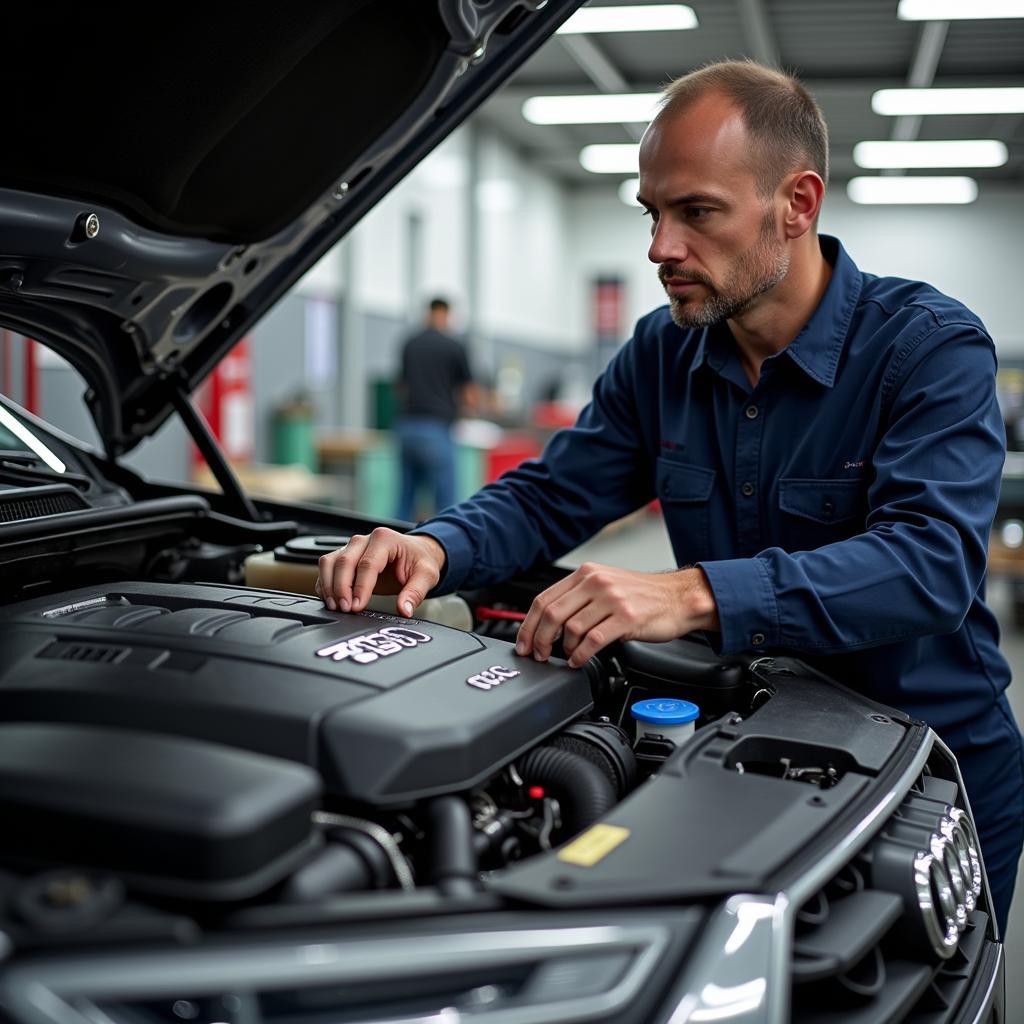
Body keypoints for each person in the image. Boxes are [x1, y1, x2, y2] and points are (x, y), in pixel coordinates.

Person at [319, 60, 1023, 932]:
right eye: (652, 213)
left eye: (697, 212)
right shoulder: (663, 354)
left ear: (797, 204)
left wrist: (691, 593)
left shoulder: (927, 348)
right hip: (744, 750)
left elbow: (930, 566)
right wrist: (436, 546)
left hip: (923, 770)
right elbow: (549, 496)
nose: (660, 248)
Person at [393, 297, 478, 522]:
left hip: (407, 427)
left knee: (405, 500)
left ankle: (391, 550)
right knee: (445, 505)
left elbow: (401, 388)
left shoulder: (410, 343)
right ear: (447, 314)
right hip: (436, 428)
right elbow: (468, 394)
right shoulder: (454, 346)